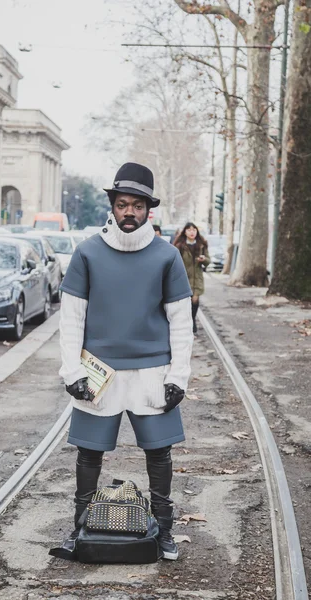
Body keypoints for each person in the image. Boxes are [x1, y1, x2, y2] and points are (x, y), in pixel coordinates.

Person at [57, 162, 194, 561]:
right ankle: (80, 528)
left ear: (149, 209)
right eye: (122, 204)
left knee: (159, 453)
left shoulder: (167, 257)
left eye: (136, 205)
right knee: (88, 454)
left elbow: (180, 321)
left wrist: (178, 376)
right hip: (98, 371)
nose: (129, 212)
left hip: (152, 370)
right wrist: (72, 371)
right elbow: (71, 318)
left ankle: (165, 532)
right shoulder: (87, 253)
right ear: (112, 206)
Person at [173, 222, 210, 333]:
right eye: (189, 230)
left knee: (195, 301)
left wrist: (204, 259)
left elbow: (208, 261)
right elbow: (174, 262)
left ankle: (192, 322)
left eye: (194, 230)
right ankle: (186, 325)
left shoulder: (202, 244)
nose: (192, 232)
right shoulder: (179, 246)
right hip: (183, 279)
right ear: (185, 232)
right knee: (185, 304)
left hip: (197, 279)